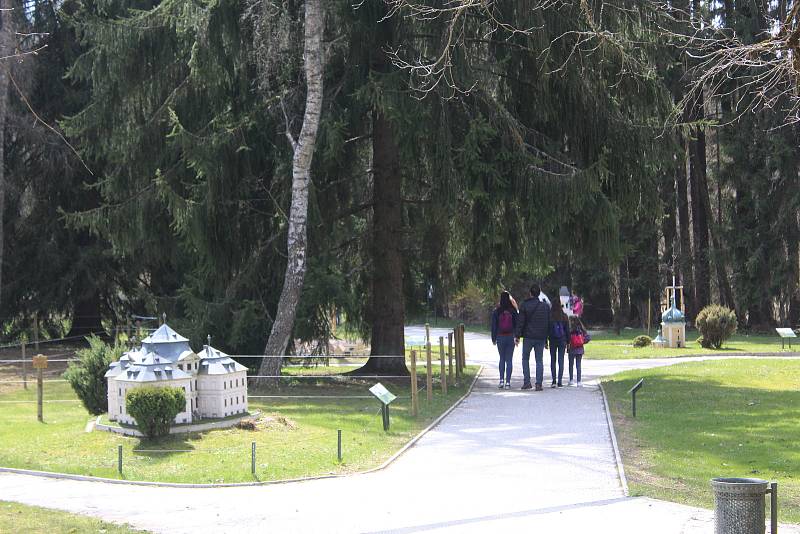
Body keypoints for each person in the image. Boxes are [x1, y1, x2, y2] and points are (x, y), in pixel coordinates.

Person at [514, 283, 551, 391]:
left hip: (528, 337)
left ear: (530, 293)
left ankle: (527, 382)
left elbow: (521, 322)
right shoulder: (545, 307)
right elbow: (548, 323)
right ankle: (538, 384)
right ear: (539, 294)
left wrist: (517, 336)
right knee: (539, 360)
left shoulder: (524, 305)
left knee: (525, 359)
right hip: (540, 337)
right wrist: (546, 338)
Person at [491, 291, 518, 389]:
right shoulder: (513, 311)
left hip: (500, 337)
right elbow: (517, 324)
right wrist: (517, 337)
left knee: (502, 358)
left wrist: (493, 338)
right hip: (511, 337)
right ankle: (508, 382)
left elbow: (494, 326)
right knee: (509, 360)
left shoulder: (496, 311)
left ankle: (501, 380)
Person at [548, 305, 569, 388]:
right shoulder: (564, 316)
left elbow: (548, 330)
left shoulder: (550, 317)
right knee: (561, 360)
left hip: (552, 340)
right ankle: (559, 381)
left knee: (553, 360)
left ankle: (553, 381)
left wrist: (546, 341)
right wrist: (568, 342)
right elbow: (567, 330)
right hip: (562, 340)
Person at [567, 317, 591, 387]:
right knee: (578, 365)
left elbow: (567, 338)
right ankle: (579, 381)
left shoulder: (570, 329)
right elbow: (588, 338)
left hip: (571, 349)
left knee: (571, 365)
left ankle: (571, 380)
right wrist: (582, 342)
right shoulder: (581, 329)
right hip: (579, 349)